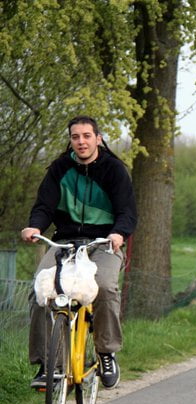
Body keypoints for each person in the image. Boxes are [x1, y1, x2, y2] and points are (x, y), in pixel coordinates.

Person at [21, 116, 137, 389]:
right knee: (41, 291)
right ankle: (47, 365)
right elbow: (44, 206)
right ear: (71, 140)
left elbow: (127, 212)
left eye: (87, 136)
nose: (81, 141)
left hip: (104, 243)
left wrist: (118, 233)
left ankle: (106, 352)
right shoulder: (60, 169)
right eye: (76, 137)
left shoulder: (114, 170)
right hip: (65, 241)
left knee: (105, 287)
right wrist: (34, 227)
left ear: (98, 138)